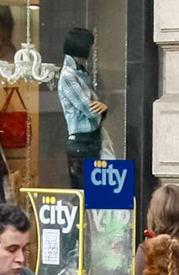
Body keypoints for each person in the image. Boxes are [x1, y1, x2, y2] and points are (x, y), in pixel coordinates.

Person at [58, 28, 104, 187]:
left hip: (90, 139)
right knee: (85, 192)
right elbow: (88, 107)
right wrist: (102, 108)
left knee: (92, 192)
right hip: (81, 142)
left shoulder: (81, 73)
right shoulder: (68, 76)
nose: (92, 50)